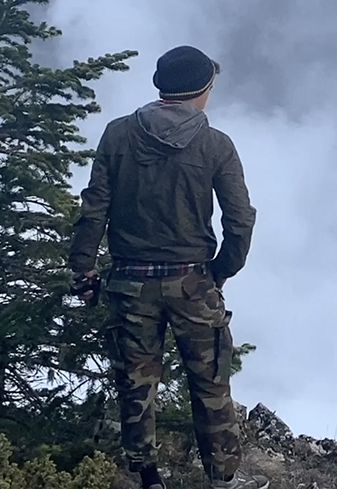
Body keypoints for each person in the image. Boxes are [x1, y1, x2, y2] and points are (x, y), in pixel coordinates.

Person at [68, 45, 266, 489]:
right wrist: (221, 271)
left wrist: (83, 271)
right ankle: (223, 479)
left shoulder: (118, 135)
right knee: (211, 382)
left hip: (129, 282)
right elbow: (240, 219)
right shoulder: (215, 145)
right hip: (193, 282)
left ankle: (147, 477)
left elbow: (94, 210)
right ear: (204, 89)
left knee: (136, 384)